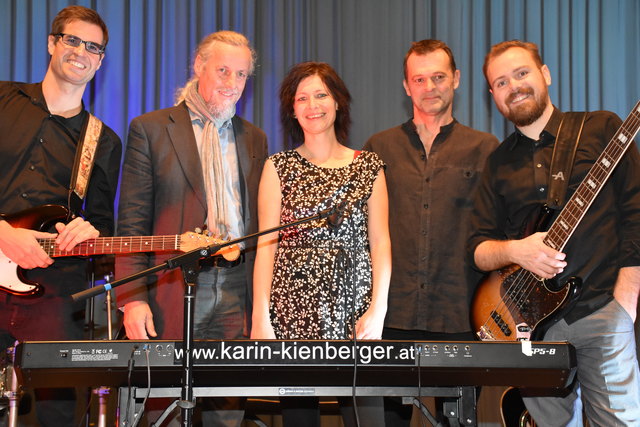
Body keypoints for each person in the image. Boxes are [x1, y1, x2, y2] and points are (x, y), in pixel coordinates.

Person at [469, 40, 640, 426]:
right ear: (493, 96)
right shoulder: (497, 163)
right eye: (500, 82)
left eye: (521, 73)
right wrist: (517, 250)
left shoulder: (600, 129)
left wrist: (625, 301)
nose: (513, 86)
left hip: (601, 309)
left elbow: (636, 210)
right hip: (533, 327)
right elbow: (477, 249)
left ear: (545, 74)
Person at [115, 31, 267, 426]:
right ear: (198, 66)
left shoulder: (254, 138)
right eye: (222, 70)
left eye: (240, 74)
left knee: (228, 411)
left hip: (235, 292)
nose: (231, 83)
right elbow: (131, 222)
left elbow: (260, 226)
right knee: (162, 410)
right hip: (175, 288)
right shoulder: (150, 129)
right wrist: (133, 297)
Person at [363, 39, 499, 425]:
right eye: (419, 79)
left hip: (460, 315)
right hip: (391, 315)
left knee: (460, 421)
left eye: (438, 77)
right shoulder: (378, 148)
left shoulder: (486, 148)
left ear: (456, 79)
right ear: (406, 86)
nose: (429, 87)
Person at [251, 61, 391, 426]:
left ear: (338, 102)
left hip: (355, 306)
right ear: (292, 109)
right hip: (291, 308)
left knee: (367, 416)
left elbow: (380, 243)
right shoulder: (277, 166)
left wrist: (378, 309)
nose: (313, 105)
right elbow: (266, 245)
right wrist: (260, 316)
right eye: (302, 98)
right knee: (299, 419)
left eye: (321, 95)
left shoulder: (369, 165)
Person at [0, 5, 121, 426]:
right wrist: (1, 232)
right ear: (53, 43)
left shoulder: (103, 141)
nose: (81, 52)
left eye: (94, 47)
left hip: (51, 286)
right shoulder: (2, 98)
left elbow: (103, 224)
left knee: (59, 409)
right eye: (72, 40)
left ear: (100, 60)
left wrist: (90, 229)